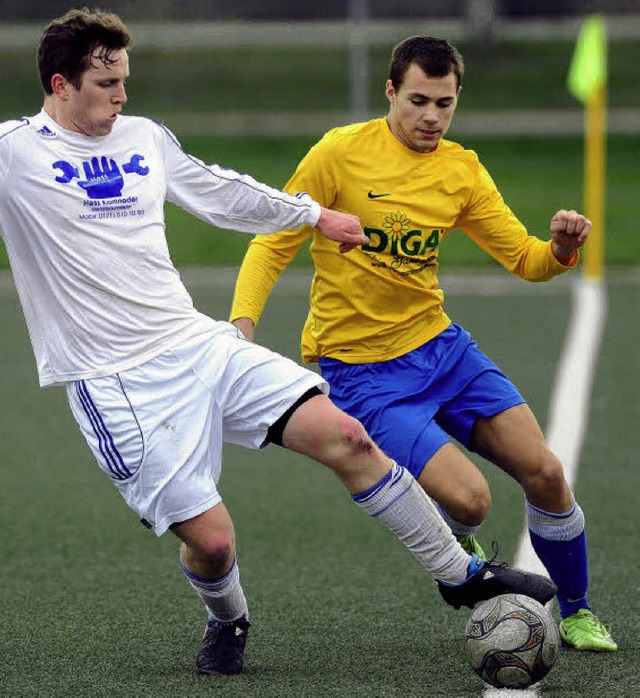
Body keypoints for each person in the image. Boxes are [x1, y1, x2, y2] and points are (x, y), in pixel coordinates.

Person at [0, 11, 559, 678]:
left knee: (348, 436)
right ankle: (228, 618)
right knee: (211, 543)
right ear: (61, 84)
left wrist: (313, 213)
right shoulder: (16, 152)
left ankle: (459, 574)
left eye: (125, 80)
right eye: (106, 82)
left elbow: (219, 192)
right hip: (115, 380)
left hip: (196, 343)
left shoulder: (143, 138)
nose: (122, 95)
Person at [230, 35, 616, 652]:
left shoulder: (460, 170)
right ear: (390, 92)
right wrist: (243, 326)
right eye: (417, 101)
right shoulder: (339, 154)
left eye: (444, 103)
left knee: (545, 473)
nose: (431, 117)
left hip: (442, 351)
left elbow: (524, 258)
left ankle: (576, 612)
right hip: (361, 373)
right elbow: (273, 241)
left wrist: (563, 250)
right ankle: (450, 549)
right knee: (471, 503)